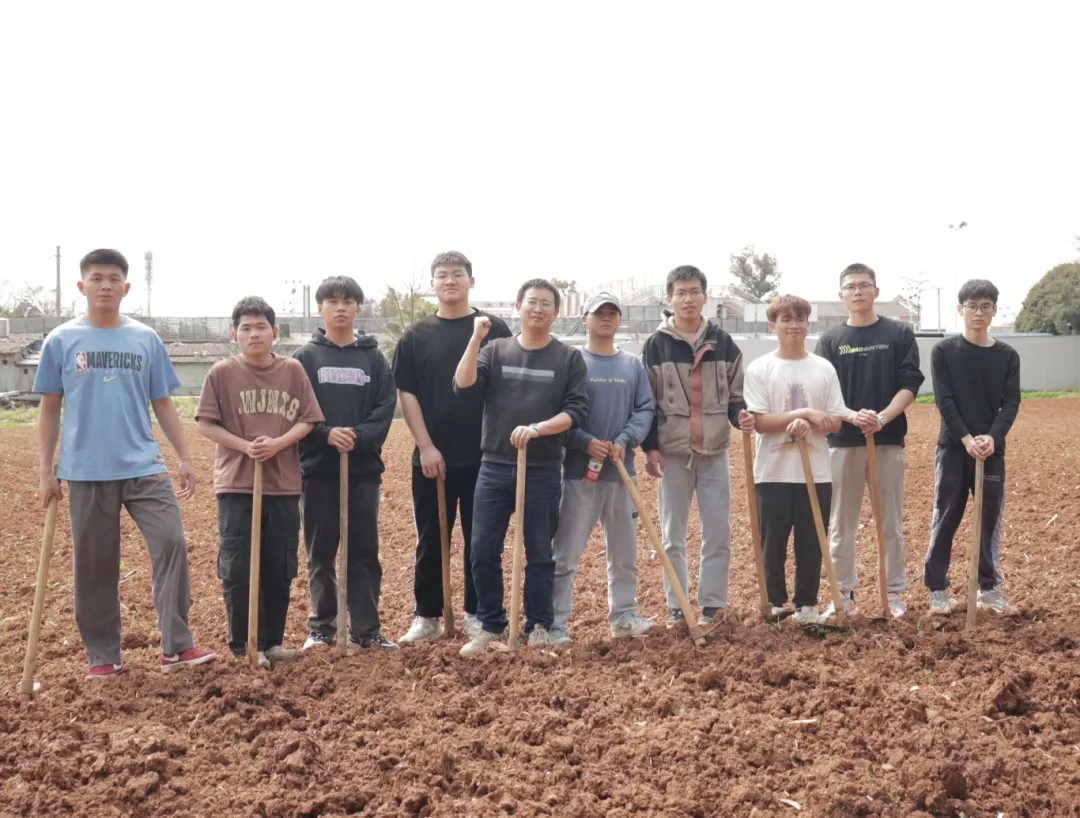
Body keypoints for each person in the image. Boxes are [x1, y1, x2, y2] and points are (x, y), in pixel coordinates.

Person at [34, 248, 216, 678]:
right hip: (86, 470)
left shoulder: (145, 339)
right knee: (95, 565)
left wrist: (184, 456)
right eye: (97, 278)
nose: (105, 286)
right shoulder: (60, 341)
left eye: (114, 279)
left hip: (144, 465)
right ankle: (104, 656)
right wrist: (45, 470)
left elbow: (163, 402)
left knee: (171, 541)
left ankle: (176, 647)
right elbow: (49, 407)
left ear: (126, 287)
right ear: (81, 286)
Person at [453, 278, 589, 657]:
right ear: (518, 307)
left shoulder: (568, 358)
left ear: (556, 313)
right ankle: (491, 624)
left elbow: (576, 411)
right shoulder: (495, 350)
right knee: (482, 549)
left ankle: (539, 625)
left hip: (543, 468)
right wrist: (474, 340)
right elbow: (464, 385)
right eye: (532, 302)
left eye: (546, 304)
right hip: (494, 466)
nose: (538, 309)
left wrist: (539, 429)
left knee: (540, 553)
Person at [196, 296, 324, 668]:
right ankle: (246, 645)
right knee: (238, 566)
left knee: (279, 565)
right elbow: (206, 423)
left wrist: (279, 443)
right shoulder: (221, 373)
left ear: (275, 332)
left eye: (261, 327)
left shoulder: (292, 371)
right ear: (234, 335)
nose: (254, 334)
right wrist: (244, 446)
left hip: (283, 484)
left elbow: (308, 419)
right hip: (237, 484)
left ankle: (273, 642)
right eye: (246, 328)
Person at [391, 252, 512, 645]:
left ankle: (479, 614)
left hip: (486, 457)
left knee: (482, 541)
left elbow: (506, 386)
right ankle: (427, 615)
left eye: (457, 275)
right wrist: (426, 447)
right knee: (431, 539)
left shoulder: (494, 329)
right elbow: (407, 394)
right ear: (433, 284)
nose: (449, 281)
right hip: (433, 458)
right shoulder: (415, 336)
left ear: (471, 281)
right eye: (442, 275)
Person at [641, 265, 754, 627]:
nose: (688, 299)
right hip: (672, 454)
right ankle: (677, 605)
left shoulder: (724, 343)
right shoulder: (655, 345)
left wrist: (740, 416)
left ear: (705, 297)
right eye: (681, 293)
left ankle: (712, 604)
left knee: (718, 531)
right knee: (672, 535)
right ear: (669, 299)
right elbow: (647, 403)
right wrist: (650, 448)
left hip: (714, 451)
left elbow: (736, 396)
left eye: (694, 292)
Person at [292, 276, 399, 650]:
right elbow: (296, 409)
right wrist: (324, 434)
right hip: (318, 469)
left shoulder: (373, 358)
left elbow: (386, 405)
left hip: (363, 471)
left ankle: (366, 630)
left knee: (364, 551)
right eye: (333, 301)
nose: (340, 308)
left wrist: (358, 435)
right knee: (320, 552)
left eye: (348, 301)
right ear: (320, 308)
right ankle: (322, 627)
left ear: (358, 308)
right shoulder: (304, 359)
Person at [814, 263, 924, 618]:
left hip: (887, 440)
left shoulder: (899, 334)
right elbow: (823, 392)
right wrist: (852, 416)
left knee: (889, 522)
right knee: (840, 523)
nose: (858, 291)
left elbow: (910, 384)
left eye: (864, 285)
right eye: (851, 286)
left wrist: (883, 417)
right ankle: (842, 594)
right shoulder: (830, 341)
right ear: (841, 295)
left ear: (876, 291)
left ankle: (893, 593)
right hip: (842, 443)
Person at [548, 292, 656, 645]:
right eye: (599, 313)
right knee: (565, 554)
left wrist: (625, 439)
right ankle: (555, 623)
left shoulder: (632, 365)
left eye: (612, 313)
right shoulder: (572, 361)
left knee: (625, 555)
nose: (606, 318)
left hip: (621, 473)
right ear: (585, 319)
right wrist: (583, 441)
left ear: (620, 320)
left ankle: (624, 615)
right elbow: (558, 411)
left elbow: (644, 410)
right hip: (578, 474)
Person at [743, 294, 857, 624]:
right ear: (773, 326)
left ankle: (807, 606)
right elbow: (760, 421)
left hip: (817, 471)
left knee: (812, 541)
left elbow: (835, 420)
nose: (793, 325)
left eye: (799, 319)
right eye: (786, 319)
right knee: (772, 543)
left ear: (808, 325)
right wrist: (803, 413)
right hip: (772, 472)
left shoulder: (823, 368)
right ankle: (775, 604)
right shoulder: (760, 368)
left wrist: (811, 424)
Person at [924, 279, 1020, 616]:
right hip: (953, 448)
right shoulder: (944, 352)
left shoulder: (1007, 356)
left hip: (991, 451)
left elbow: (1011, 403)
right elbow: (945, 400)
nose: (978, 312)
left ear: (994, 311)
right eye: (972, 306)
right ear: (960, 309)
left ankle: (988, 589)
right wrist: (966, 439)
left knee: (989, 519)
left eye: (985, 306)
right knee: (946, 515)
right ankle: (937, 590)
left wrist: (992, 437)